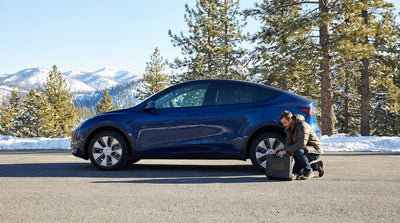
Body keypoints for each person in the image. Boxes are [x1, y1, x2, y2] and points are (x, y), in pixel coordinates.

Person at [277, 110, 324, 180]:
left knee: (298, 153)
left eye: (285, 123)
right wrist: (284, 152)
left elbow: (301, 144)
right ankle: (316, 166)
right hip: (303, 151)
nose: (284, 125)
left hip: (314, 150)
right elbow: (288, 144)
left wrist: (286, 151)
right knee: (295, 173)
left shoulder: (302, 126)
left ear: (290, 119)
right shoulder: (289, 129)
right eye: (282, 123)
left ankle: (309, 172)